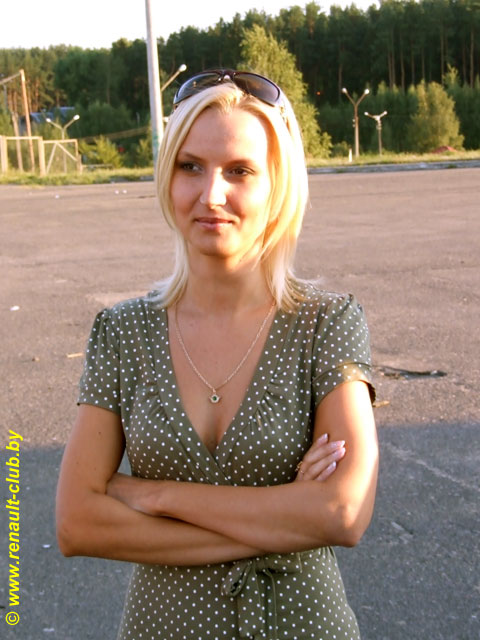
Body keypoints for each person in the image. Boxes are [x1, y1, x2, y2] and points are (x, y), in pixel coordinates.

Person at [56, 69, 378, 640]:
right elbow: (77, 523)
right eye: (190, 166)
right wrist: (286, 516)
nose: (211, 195)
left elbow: (343, 513)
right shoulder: (123, 332)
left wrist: (153, 494)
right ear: (167, 177)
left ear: (278, 184)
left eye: (239, 171)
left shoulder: (326, 323)